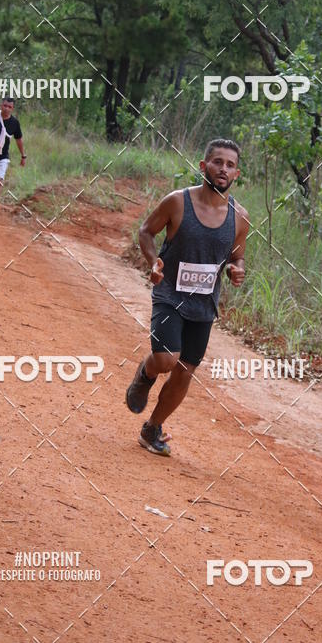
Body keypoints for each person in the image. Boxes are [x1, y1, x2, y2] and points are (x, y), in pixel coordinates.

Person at [125, 139, 248, 456]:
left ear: (237, 174)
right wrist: (153, 261)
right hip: (170, 294)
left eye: (230, 165)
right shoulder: (178, 202)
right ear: (204, 166)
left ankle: (152, 428)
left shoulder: (239, 217)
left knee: (185, 371)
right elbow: (146, 231)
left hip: (203, 304)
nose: (223, 169)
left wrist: (236, 269)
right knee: (167, 359)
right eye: (217, 162)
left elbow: (237, 256)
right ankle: (147, 372)